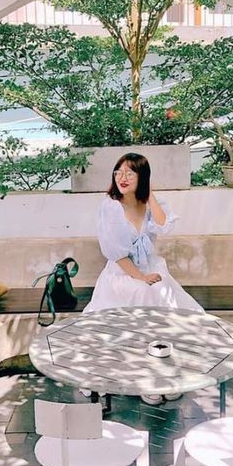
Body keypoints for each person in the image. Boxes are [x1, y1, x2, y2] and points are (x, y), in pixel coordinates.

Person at [84, 152, 204, 404]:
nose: (122, 178)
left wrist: (149, 195)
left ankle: (164, 371)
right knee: (145, 292)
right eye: (118, 172)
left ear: (143, 177)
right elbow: (116, 254)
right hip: (122, 273)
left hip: (150, 267)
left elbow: (163, 224)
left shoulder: (147, 204)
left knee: (163, 294)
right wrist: (140, 277)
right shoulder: (111, 206)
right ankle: (143, 377)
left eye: (130, 173)